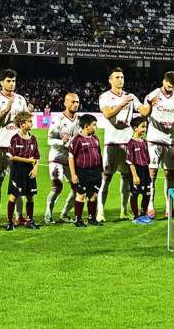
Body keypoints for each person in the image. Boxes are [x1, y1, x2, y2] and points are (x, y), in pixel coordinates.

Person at [0, 69, 32, 229]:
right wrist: (5, 111)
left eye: (13, 81)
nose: (11, 83)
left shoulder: (21, 99)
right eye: (8, 81)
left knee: (18, 184)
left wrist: (28, 115)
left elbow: (26, 124)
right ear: (1, 82)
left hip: (17, 150)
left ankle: (19, 216)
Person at [140, 71, 174, 220]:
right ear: (163, 81)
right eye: (168, 85)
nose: (170, 88)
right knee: (152, 174)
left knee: (169, 174)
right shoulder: (153, 95)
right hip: (153, 140)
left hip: (169, 141)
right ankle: (150, 205)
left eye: (173, 86)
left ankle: (168, 207)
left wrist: (172, 130)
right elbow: (144, 114)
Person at [98, 67, 140, 221]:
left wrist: (149, 105)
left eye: (122, 77)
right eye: (116, 77)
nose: (120, 79)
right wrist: (123, 103)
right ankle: (100, 211)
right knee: (106, 178)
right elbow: (108, 114)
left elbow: (142, 110)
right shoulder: (105, 97)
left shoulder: (131, 96)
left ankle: (124, 210)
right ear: (110, 80)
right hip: (112, 143)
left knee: (126, 178)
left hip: (127, 143)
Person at [46, 93, 83, 224]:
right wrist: (62, 142)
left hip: (71, 159)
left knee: (77, 188)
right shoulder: (58, 119)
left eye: (77, 102)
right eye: (73, 102)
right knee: (57, 187)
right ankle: (48, 215)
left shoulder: (80, 120)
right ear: (65, 103)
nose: (76, 104)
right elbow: (49, 140)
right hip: (56, 157)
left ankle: (64, 214)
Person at [67, 114, 104, 227]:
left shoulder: (95, 138)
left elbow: (99, 155)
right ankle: (78, 219)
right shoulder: (77, 139)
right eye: (94, 124)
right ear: (87, 126)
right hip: (82, 172)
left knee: (93, 195)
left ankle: (91, 218)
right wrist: (73, 174)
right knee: (81, 195)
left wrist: (101, 170)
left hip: (96, 172)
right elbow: (71, 156)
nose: (96, 126)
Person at [6, 111, 40, 230]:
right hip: (18, 170)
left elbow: (37, 157)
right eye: (29, 121)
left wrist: (35, 168)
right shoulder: (15, 139)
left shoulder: (33, 139)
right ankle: (10, 222)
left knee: (30, 196)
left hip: (30, 170)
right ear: (22, 123)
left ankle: (29, 220)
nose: (31, 123)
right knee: (14, 196)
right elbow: (11, 156)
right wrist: (27, 161)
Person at [126, 116, 152, 224]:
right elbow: (130, 161)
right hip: (136, 169)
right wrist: (135, 175)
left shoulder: (144, 142)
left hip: (145, 169)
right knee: (135, 193)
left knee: (147, 193)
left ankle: (143, 214)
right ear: (135, 128)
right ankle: (136, 217)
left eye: (145, 127)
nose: (144, 129)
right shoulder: (131, 143)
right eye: (142, 127)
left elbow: (147, 158)